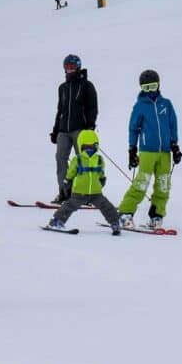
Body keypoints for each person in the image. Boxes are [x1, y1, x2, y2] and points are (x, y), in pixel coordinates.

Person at [117, 69, 181, 230]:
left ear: (158, 85)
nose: (150, 91)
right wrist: (132, 149)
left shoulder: (166, 104)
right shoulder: (140, 106)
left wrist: (175, 145)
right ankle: (125, 213)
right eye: (146, 88)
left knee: (163, 184)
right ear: (141, 88)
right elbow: (133, 128)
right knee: (141, 183)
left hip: (165, 152)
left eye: (152, 87)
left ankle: (157, 215)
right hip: (147, 151)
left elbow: (173, 125)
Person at [46, 130, 120, 234]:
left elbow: (101, 172)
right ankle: (56, 221)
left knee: (107, 207)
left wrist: (102, 180)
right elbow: (71, 172)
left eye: (91, 147)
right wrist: (67, 181)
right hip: (80, 192)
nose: (89, 149)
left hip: (96, 193)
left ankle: (115, 223)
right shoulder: (78, 159)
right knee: (69, 206)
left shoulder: (99, 159)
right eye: (87, 147)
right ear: (82, 146)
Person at [49, 54, 98, 203]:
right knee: (60, 158)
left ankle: (84, 194)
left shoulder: (86, 85)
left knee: (83, 161)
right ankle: (65, 192)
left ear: (78, 67)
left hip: (80, 130)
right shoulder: (62, 88)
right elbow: (60, 110)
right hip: (64, 130)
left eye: (72, 67)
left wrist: (90, 126)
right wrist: (56, 130)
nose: (69, 70)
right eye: (67, 67)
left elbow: (92, 107)